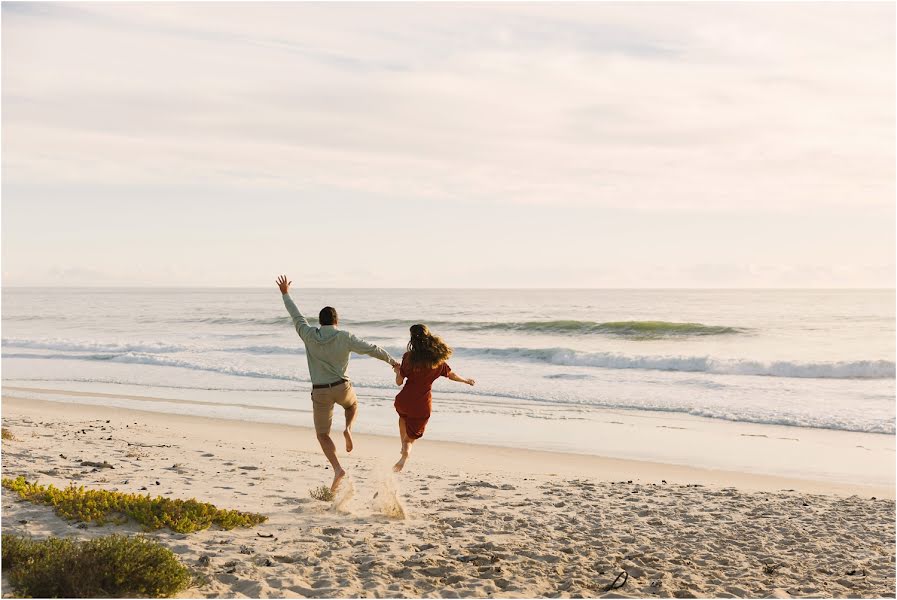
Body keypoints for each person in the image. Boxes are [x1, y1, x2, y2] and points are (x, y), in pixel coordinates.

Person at [276, 275, 399, 491]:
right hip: (342, 387)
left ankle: (337, 468)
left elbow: (296, 315)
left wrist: (285, 293)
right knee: (352, 405)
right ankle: (348, 429)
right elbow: (371, 348)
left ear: (320, 321)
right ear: (336, 321)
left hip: (320, 392)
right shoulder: (344, 336)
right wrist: (392, 362)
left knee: (322, 434)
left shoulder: (308, 334)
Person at [392, 324, 474, 472]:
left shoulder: (408, 357)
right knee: (411, 439)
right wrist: (465, 381)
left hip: (403, 400)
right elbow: (452, 375)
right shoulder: (437, 361)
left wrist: (397, 371)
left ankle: (402, 446)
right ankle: (404, 456)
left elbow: (399, 382)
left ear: (412, 339)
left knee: (402, 418)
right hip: (421, 405)